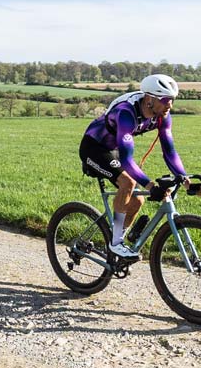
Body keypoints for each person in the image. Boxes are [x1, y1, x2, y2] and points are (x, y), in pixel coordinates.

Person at [79, 73, 186, 258]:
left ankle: (118, 238)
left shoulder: (163, 116)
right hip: (94, 147)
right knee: (128, 183)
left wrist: (186, 179)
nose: (170, 105)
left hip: (115, 148)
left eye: (172, 100)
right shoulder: (126, 112)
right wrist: (150, 185)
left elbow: (169, 151)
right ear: (150, 99)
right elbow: (128, 161)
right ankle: (115, 244)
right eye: (166, 99)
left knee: (137, 200)